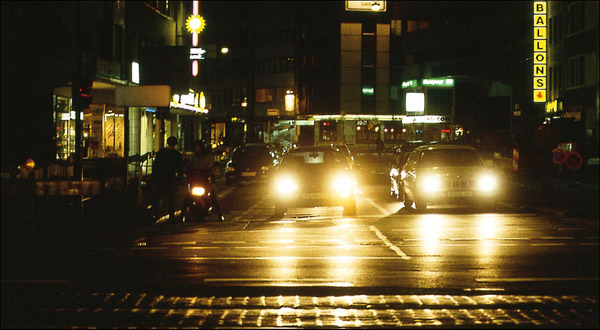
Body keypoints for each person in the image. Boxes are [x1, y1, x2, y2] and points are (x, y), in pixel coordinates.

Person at [185, 140, 225, 221]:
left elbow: (212, 166)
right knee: (187, 197)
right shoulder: (193, 157)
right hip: (195, 180)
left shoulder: (208, 157)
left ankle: (219, 214)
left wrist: (212, 170)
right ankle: (183, 214)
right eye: (196, 147)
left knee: (213, 195)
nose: (197, 149)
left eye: (199, 147)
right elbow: (188, 165)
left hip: (205, 179)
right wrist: (186, 169)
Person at [151, 136, 184, 223]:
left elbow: (155, 165)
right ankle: (171, 216)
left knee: (157, 195)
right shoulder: (177, 155)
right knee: (170, 197)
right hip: (170, 177)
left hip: (160, 176)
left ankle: (153, 213)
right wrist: (181, 177)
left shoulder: (161, 152)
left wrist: (153, 176)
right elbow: (180, 168)